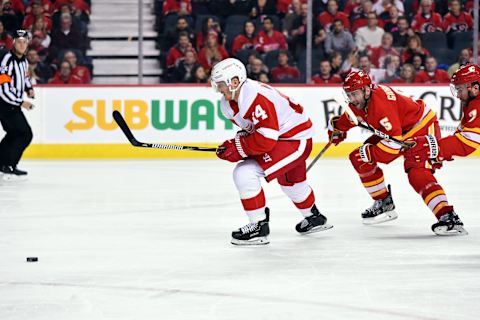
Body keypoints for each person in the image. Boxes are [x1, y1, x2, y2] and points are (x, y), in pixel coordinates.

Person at [211, 58, 332, 245]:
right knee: (291, 183)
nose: (218, 89)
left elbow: (266, 139)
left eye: (220, 84)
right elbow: (254, 130)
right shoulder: (228, 103)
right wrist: (236, 145)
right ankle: (314, 218)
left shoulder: (254, 97)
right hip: (285, 136)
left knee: (244, 172)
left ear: (234, 82)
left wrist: (238, 147)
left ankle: (258, 226)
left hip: (294, 139)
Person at [328, 70, 464, 235]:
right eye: (349, 94)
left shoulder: (381, 105)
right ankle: (383, 202)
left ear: (367, 90)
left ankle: (448, 216)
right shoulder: (360, 102)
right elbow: (346, 120)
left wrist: (371, 153)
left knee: (417, 172)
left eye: (355, 94)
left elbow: (391, 149)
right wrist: (336, 131)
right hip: (400, 130)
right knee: (359, 157)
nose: (352, 99)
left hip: (421, 127)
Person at [403, 64, 480, 235]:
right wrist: (440, 151)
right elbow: (463, 134)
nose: (458, 94)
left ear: (474, 87)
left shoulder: (477, 105)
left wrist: (435, 148)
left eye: (460, 89)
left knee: (418, 155)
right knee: (416, 166)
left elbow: (470, 141)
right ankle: (447, 216)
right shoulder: (472, 102)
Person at [0, 30, 34, 180]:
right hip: (4, 104)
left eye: (24, 42)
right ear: (13, 42)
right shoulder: (6, 60)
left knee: (15, 134)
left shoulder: (24, 60)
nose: (22, 45)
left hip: (12, 104)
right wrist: (21, 102)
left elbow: (25, 76)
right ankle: (8, 165)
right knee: (25, 134)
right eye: (19, 41)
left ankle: (4, 164)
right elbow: (3, 88)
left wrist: (29, 88)